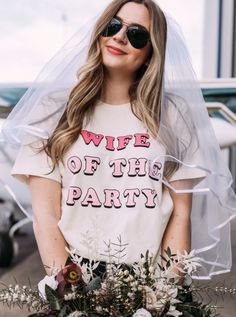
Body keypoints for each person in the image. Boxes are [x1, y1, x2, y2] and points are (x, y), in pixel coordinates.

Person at [2, 0, 236, 279]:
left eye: (137, 35)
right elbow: (46, 217)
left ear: (152, 52)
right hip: (74, 276)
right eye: (113, 26)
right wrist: (71, 294)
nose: (119, 37)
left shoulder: (174, 114)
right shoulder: (51, 110)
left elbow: (180, 215)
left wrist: (164, 295)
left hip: (151, 279)